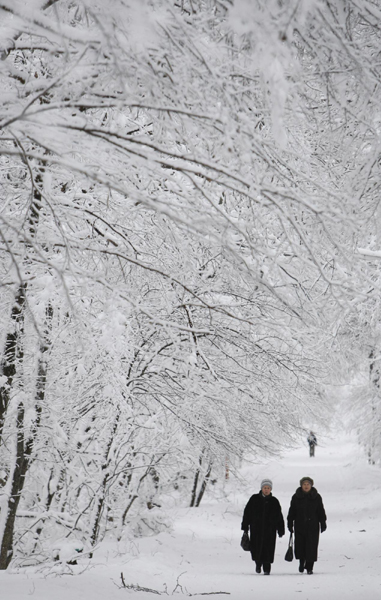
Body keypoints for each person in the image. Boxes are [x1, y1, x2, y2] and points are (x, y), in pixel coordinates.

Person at [241, 478, 285, 575]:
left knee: (268, 549)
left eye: (268, 488)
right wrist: (245, 526)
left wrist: (280, 529)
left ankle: (267, 568)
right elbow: (247, 513)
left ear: (271, 489)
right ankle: (258, 563)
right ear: (261, 488)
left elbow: (279, 516)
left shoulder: (274, 501)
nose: (266, 490)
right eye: (265, 488)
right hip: (256, 529)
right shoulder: (254, 499)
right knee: (256, 548)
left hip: (270, 530)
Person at [287, 476, 327, 575]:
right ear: (301, 485)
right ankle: (301, 562)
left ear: (311, 485)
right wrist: (289, 523)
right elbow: (292, 511)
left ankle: (309, 567)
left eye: (308, 484)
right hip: (299, 525)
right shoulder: (296, 496)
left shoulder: (316, 497)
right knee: (300, 545)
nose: (306, 486)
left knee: (311, 546)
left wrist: (323, 522)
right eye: (304, 484)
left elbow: (320, 510)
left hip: (313, 526)